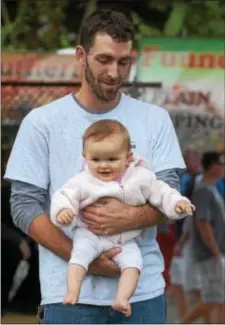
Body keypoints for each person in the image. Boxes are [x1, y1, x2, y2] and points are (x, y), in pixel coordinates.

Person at [4, 10, 186, 324]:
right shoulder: (42, 122)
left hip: (142, 294)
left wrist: (130, 216)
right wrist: (86, 258)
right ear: (81, 55)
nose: (114, 72)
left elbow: (170, 190)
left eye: (123, 61)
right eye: (103, 60)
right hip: (68, 297)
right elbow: (22, 205)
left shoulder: (155, 119)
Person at [50, 119, 194, 317]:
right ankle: (72, 291)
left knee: (134, 264)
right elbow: (64, 195)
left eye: (112, 159)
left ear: (128, 157)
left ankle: (122, 298)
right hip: (90, 234)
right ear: (85, 158)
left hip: (125, 240)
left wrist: (177, 204)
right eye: (96, 159)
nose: (103, 166)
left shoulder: (141, 177)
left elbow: (162, 192)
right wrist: (63, 211)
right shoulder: (82, 180)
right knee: (79, 257)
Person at [182, 151, 225, 324]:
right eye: (221, 164)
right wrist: (216, 253)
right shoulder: (203, 191)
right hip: (210, 254)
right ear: (213, 166)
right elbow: (203, 224)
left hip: (216, 253)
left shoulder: (211, 189)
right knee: (213, 299)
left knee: (220, 299)